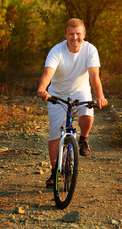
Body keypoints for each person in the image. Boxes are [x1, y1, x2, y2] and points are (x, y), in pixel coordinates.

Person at [36, 18, 108, 188]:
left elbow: (94, 76)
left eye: (78, 34)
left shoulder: (90, 50)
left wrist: (100, 96)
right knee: (55, 135)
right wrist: (42, 88)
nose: (75, 37)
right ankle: (55, 172)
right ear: (66, 35)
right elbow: (48, 72)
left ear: (83, 34)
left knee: (88, 114)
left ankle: (83, 139)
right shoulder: (57, 51)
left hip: (80, 91)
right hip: (57, 94)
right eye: (71, 34)